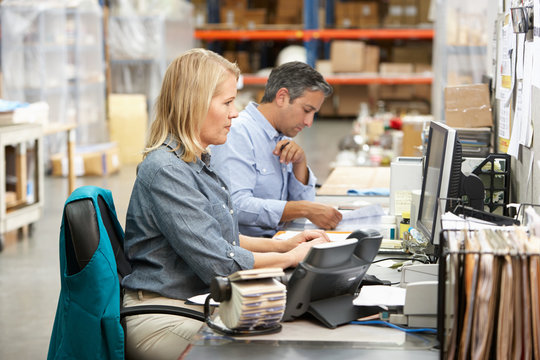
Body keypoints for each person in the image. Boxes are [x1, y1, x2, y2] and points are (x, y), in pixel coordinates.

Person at [121, 49, 330, 360]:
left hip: (195, 301)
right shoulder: (167, 171)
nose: (235, 113)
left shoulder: (197, 160)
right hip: (165, 314)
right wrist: (291, 259)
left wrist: (285, 247)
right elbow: (220, 263)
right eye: (228, 103)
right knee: (274, 350)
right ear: (194, 103)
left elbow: (223, 239)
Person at [210, 61, 343, 237]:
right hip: (251, 251)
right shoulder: (237, 133)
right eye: (306, 110)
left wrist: (300, 164)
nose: (309, 122)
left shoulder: (282, 134)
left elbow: (305, 209)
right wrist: (303, 209)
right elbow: (236, 206)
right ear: (282, 97)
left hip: (280, 240)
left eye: (313, 114)